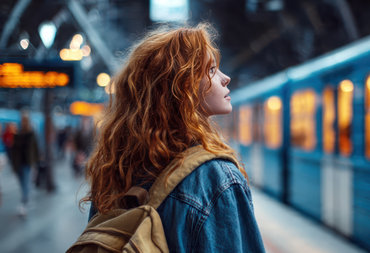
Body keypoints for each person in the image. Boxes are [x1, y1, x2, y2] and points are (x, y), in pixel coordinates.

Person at [83, 23, 266, 252]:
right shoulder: (216, 178)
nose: (225, 78)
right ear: (182, 88)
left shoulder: (115, 171)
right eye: (211, 70)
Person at [11, 111, 39, 216]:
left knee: (26, 183)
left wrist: (36, 161)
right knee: (22, 183)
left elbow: (35, 147)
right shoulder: (17, 133)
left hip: (27, 163)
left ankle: (24, 203)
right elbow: (14, 149)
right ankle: (26, 200)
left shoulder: (31, 133)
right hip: (18, 163)